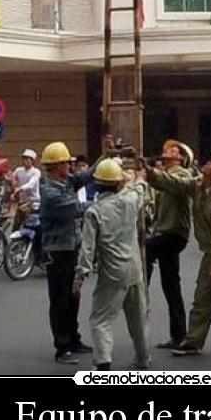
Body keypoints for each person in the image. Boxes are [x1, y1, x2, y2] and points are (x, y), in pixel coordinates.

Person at [145, 154, 211, 356]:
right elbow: (177, 184)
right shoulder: (199, 186)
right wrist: (152, 173)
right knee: (202, 299)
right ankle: (193, 341)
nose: (207, 164)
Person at [73, 159, 151, 371]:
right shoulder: (130, 202)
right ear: (118, 184)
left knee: (100, 320)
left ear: (96, 184)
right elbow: (140, 186)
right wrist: (140, 172)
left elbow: (87, 250)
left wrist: (80, 277)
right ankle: (143, 359)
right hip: (135, 270)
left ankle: (104, 361)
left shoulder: (94, 212)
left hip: (112, 273)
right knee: (138, 319)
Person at [39, 141, 93, 364]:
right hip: (58, 250)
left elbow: (86, 177)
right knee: (60, 298)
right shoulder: (50, 192)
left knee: (74, 294)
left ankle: (73, 339)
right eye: (66, 163)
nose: (70, 166)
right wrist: (108, 203)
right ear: (55, 166)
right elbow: (76, 209)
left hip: (72, 248)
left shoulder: (65, 182)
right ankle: (62, 347)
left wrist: (107, 155)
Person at [145, 139, 194, 350]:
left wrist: (152, 171)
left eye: (172, 150)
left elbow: (172, 183)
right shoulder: (163, 176)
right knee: (171, 286)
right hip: (165, 232)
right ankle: (178, 335)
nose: (166, 151)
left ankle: (140, 288)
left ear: (181, 158)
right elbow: (156, 182)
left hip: (174, 233)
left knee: (144, 248)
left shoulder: (183, 174)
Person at [11, 148, 42, 231]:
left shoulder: (36, 172)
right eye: (24, 158)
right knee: (16, 225)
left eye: (27, 158)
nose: (25, 160)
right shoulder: (18, 170)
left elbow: (31, 184)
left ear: (32, 161)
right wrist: (11, 183)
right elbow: (13, 180)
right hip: (21, 202)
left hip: (33, 202)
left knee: (30, 226)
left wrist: (20, 189)